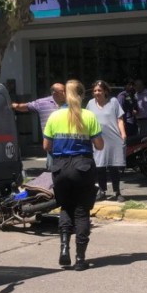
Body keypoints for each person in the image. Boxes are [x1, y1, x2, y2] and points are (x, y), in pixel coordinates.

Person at [43, 80, 104, 271]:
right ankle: (80, 258)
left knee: (66, 208)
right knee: (81, 212)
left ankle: (63, 250)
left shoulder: (54, 116)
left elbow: (46, 146)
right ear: (82, 95)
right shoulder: (89, 116)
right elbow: (99, 145)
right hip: (83, 167)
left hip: (60, 167)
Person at [87, 80, 127, 203]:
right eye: (95, 91)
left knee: (114, 166)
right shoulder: (90, 104)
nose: (97, 93)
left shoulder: (113, 102)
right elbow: (87, 120)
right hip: (98, 139)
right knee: (100, 166)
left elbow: (120, 119)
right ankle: (102, 191)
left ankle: (117, 192)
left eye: (99, 90)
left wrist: (123, 134)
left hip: (113, 138)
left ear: (105, 91)